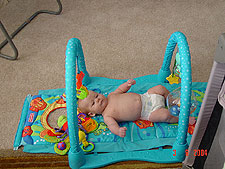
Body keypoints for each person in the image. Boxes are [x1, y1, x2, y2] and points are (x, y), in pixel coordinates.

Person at [78, 79, 182, 138]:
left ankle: (173, 100)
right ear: (92, 114)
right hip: (148, 112)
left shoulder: (111, 95)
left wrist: (127, 84)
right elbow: (112, 126)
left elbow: (120, 89)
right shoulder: (107, 115)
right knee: (164, 115)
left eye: (96, 96)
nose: (97, 100)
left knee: (160, 88)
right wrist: (118, 131)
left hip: (146, 96)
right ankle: (181, 118)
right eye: (93, 103)